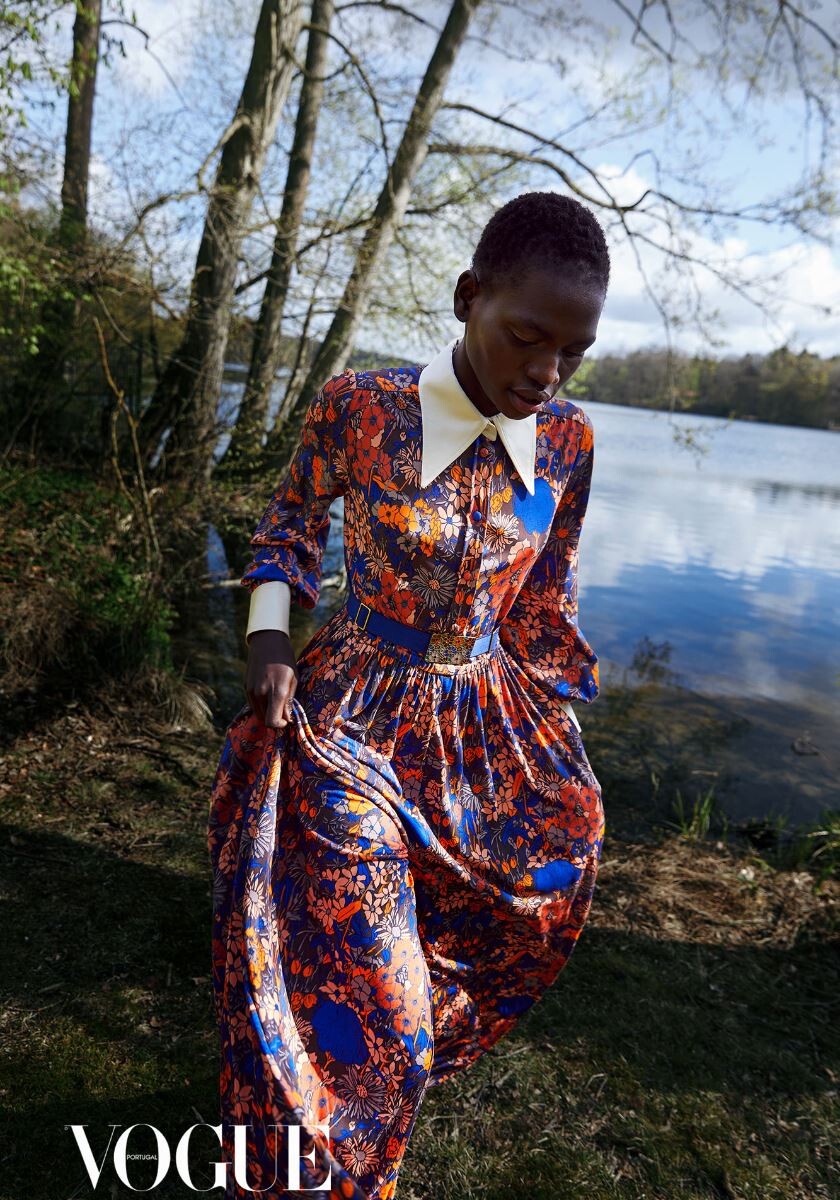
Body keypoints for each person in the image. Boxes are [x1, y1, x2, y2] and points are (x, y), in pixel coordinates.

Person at [207, 190, 609, 1200]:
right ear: (469, 297)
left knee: (554, 863)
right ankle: (326, 1168)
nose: (547, 373)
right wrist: (268, 637)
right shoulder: (360, 406)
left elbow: (546, 598)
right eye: (528, 337)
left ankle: (365, 1034)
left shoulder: (570, 442)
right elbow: (289, 529)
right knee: (388, 1017)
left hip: (482, 722)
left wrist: (556, 724)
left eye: (573, 352)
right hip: (353, 717)